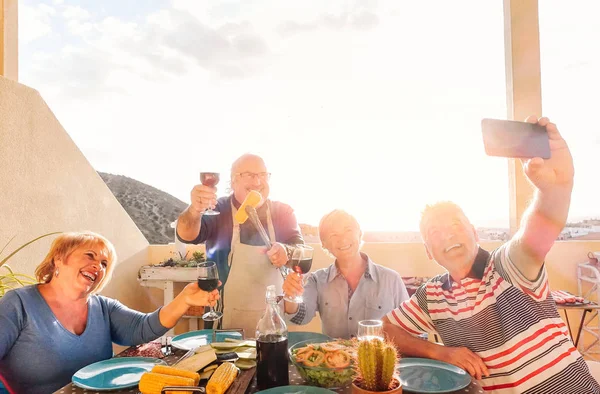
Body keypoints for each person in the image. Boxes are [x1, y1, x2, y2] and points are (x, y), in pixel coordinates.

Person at [382, 117, 600, 393]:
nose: (447, 235)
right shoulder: (432, 295)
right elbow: (382, 329)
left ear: (475, 233)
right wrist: (441, 352)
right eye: (434, 232)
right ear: (428, 251)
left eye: (455, 225)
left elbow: (539, 228)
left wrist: (555, 188)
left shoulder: (507, 266)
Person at [0, 231, 219, 394]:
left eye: (104, 263)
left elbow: (143, 327)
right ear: (59, 258)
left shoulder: (103, 307)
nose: (98, 266)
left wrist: (184, 299)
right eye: (90, 256)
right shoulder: (18, 304)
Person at [176, 153, 303, 335]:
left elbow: (303, 251)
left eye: (263, 175)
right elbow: (186, 234)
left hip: (272, 325)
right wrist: (194, 210)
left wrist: (287, 251)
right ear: (233, 181)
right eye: (250, 175)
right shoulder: (218, 209)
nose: (258, 182)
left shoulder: (282, 212)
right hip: (224, 326)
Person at [283, 209, 409, 338]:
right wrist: (291, 295)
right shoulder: (317, 280)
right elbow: (300, 317)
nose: (342, 239)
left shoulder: (391, 279)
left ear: (359, 234)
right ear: (324, 244)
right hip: (335, 356)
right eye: (333, 235)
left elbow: (409, 328)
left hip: (377, 357)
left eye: (348, 230)